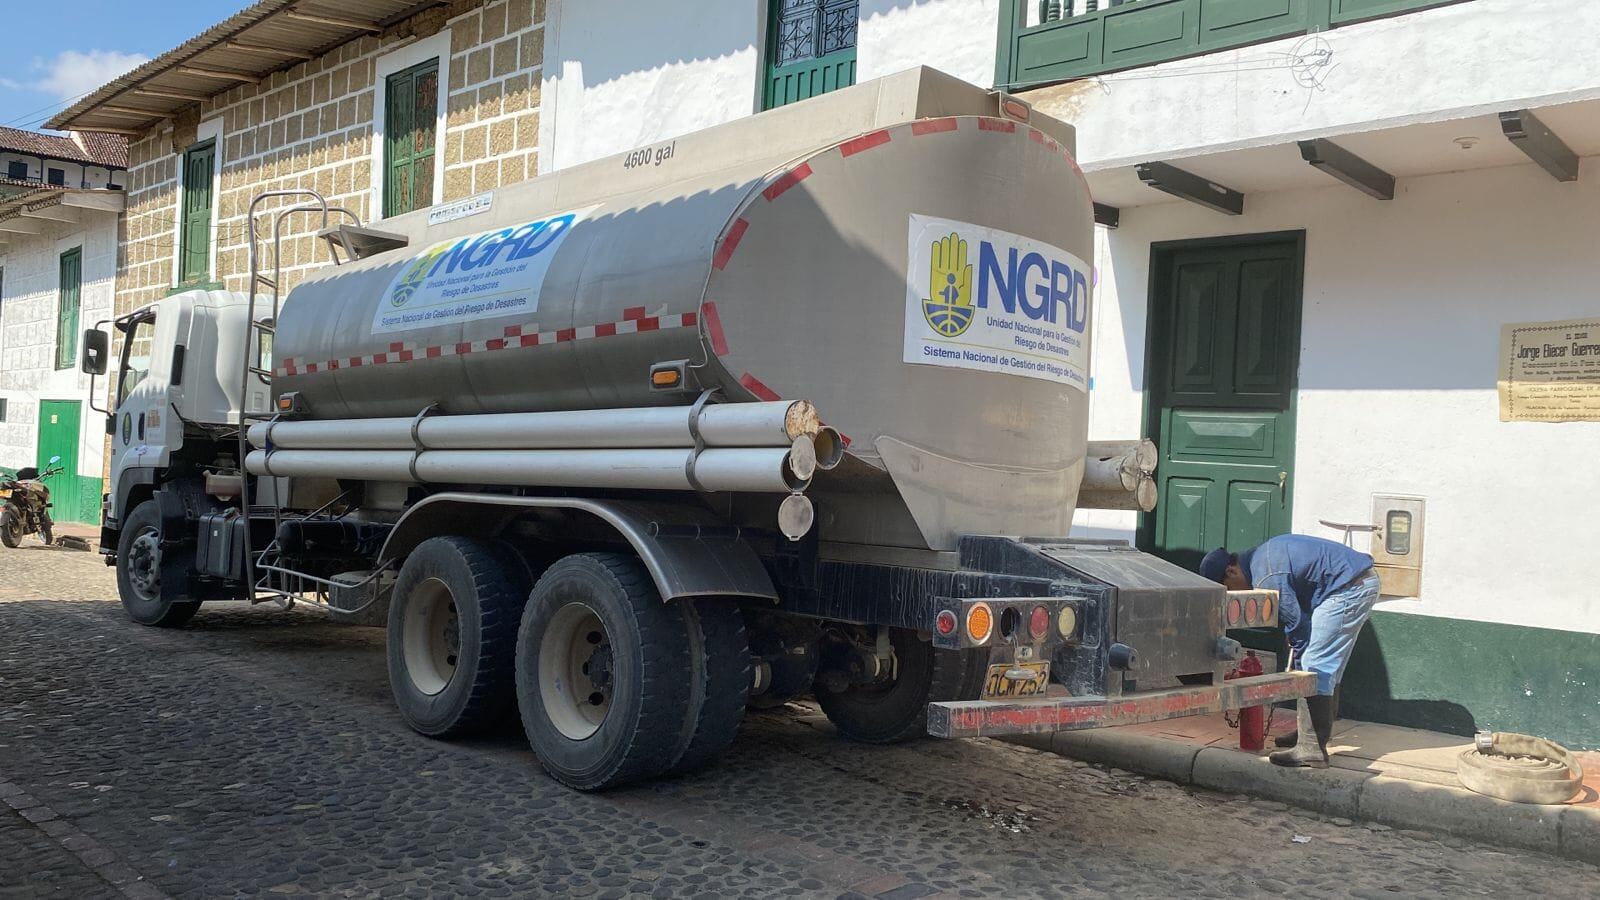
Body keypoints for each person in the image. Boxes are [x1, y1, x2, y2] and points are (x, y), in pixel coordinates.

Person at [1199, 535, 1381, 769]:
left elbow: (1298, 626)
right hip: (1354, 582)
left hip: (1348, 588)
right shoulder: (1262, 559)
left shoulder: (1266, 575)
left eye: (1229, 590)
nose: (1234, 595)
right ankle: (1310, 735)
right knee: (1324, 665)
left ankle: (1312, 747)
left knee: (1314, 665)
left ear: (1231, 571)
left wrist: (1300, 664)